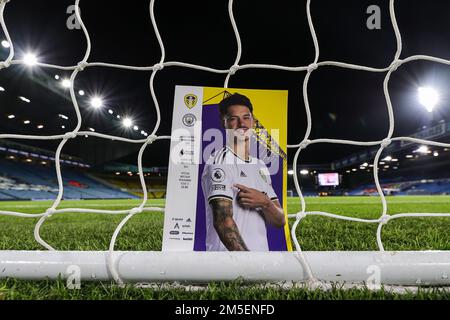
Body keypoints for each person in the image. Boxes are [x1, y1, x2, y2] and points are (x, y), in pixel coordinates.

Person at [201, 93, 286, 251]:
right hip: (229, 266)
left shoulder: (260, 165)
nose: (242, 124)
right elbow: (223, 222)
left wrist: (265, 202)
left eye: (246, 117)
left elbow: (280, 220)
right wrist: (249, 264)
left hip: (260, 263)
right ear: (224, 122)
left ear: (253, 121)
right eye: (234, 118)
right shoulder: (220, 162)